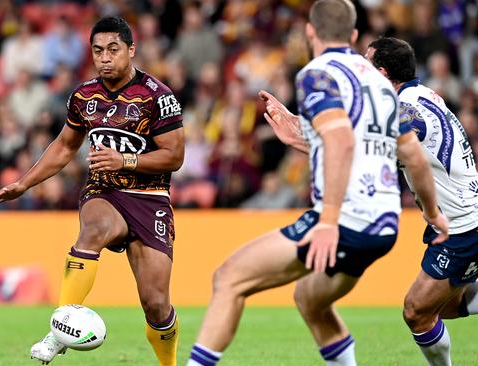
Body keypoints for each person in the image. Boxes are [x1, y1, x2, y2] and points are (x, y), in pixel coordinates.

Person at [186, 1, 449, 365]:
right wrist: (434, 213)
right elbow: (412, 156)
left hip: (343, 221)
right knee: (310, 298)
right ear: (354, 35)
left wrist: (327, 222)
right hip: (383, 225)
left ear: (310, 31)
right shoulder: (379, 81)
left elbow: (340, 141)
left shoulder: (318, 73)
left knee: (229, 278)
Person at [0, 16, 184, 365]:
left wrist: (125, 161)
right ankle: (60, 329)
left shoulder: (157, 97)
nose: (105, 58)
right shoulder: (83, 96)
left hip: (150, 199)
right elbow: (64, 147)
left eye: (113, 50)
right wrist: (24, 183)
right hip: (104, 192)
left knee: (155, 303)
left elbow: (174, 155)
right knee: (93, 229)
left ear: (131, 50)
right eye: (97, 51)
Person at [366, 37, 478, 366]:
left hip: (465, 228)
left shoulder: (407, 110)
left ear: (381, 73)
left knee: (417, 310)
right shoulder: (421, 94)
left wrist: (307, 140)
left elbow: (370, 151)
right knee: (446, 306)